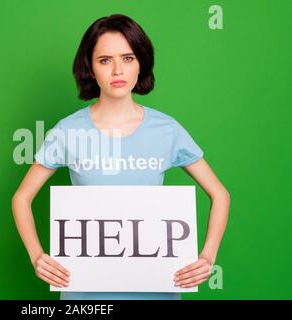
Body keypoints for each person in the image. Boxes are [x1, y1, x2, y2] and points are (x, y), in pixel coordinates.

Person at [12, 13, 230, 300]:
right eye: (105, 60)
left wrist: (207, 257)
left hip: (158, 289)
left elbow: (220, 194)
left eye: (127, 58)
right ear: (90, 68)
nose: (117, 70)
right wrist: (37, 256)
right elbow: (22, 198)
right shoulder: (68, 131)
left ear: (141, 62)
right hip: (86, 294)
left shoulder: (167, 129)